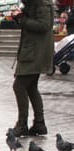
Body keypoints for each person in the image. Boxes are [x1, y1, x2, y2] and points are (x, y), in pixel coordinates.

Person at [11, 0, 54, 137]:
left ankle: (22, 124)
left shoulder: (42, 4)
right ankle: (39, 124)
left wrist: (22, 19)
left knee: (19, 86)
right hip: (31, 51)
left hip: (35, 53)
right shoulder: (33, 4)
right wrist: (19, 17)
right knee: (31, 87)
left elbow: (43, 25)